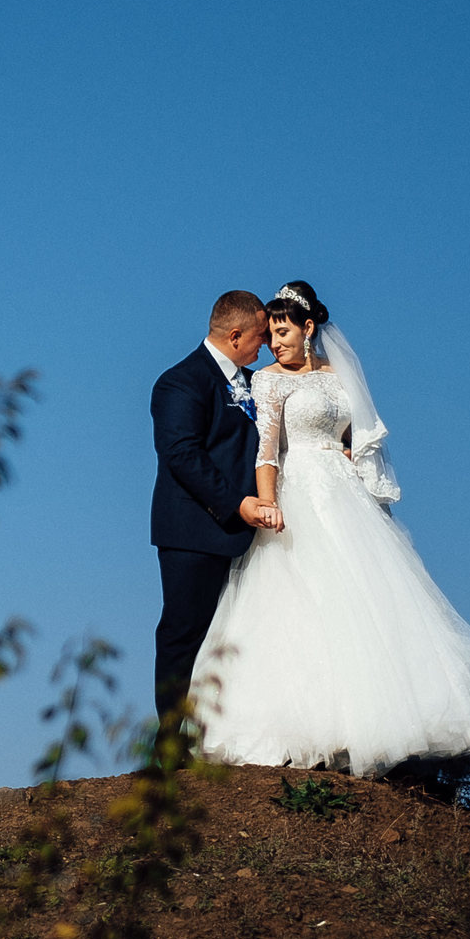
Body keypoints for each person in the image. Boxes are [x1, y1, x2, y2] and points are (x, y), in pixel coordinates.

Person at [191, 280, 470, 775]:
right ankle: (310, 731)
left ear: (308, 329)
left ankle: (377, 724)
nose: (275, 343)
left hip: (344, 492)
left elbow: (358, 432)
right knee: (303, 600)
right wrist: (268, 502)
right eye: (270, 335)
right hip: (298, 491)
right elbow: (266, 451)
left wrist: (349, 452)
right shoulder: (268, 381)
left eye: (283, 333)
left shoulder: (338, 374)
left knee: (368, 598)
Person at [149, 290, 278, 715]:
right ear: (236, 336)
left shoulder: (256, 382)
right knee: (185, 632)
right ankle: (170, 738)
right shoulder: (181, 382)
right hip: (194, 531)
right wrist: (237, 504)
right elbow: (182, 454)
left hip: (249, 533)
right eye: (261, 336)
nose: (267, 345)